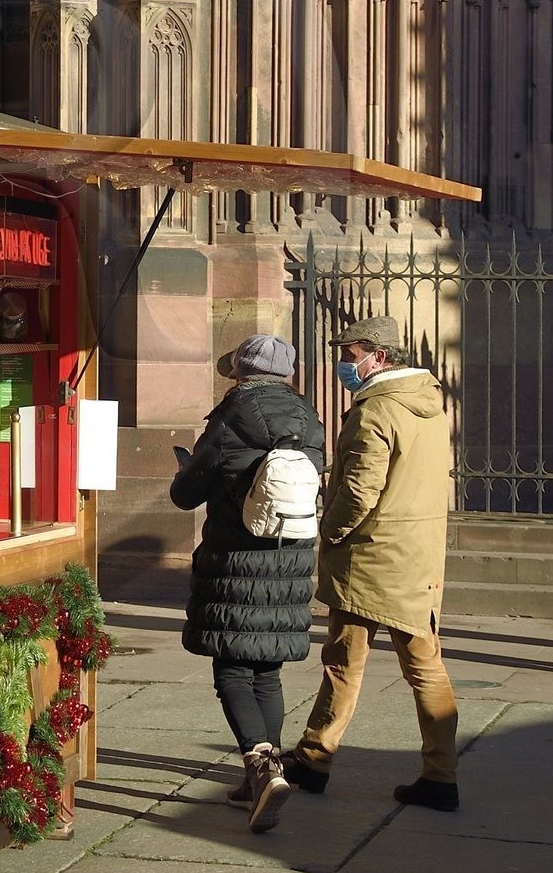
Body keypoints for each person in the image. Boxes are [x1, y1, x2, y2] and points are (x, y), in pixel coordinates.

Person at [285, 315, 460, 810]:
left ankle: (315, 758)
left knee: (343, 661)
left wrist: (330, 530)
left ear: (378, 357)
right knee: (426, 664)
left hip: (370, 556)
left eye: (349, 354)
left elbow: (361, 489)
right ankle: (441, 775)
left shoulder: (376, 411)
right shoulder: (428, 404)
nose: (344, 363)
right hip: (415, 555)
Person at [169, 335, 325, 832]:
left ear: (239, 373)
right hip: (290, 557)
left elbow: (186, 492)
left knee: (233, 668)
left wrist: (192, 470)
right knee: (267, 670)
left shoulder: (231, 416)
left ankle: (260, 767)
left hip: (236, 557)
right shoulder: (307, 417)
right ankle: (260, 775)